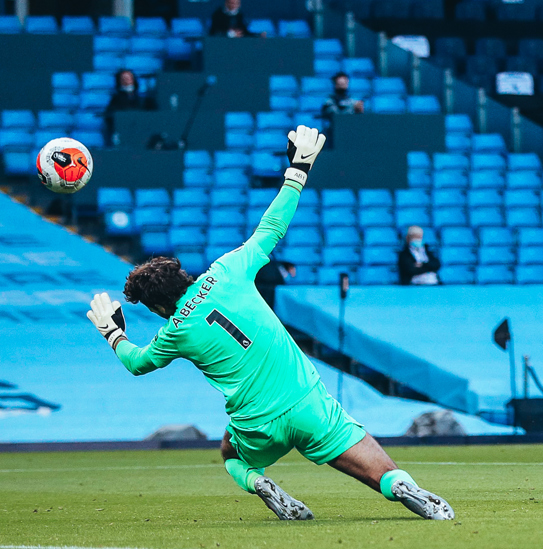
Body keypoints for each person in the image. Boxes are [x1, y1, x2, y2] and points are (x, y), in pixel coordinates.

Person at [85, 126, 454, 521]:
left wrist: (113, 332)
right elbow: (271, 227)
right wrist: (299, 167)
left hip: (257, 423)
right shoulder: (227, 271)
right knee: (377, 467)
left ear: (158, 307)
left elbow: (136, 363)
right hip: (306, 401)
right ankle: (399, 484)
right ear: (183, 274)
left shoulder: (173, 333)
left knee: (230, 453)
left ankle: (259, 483)